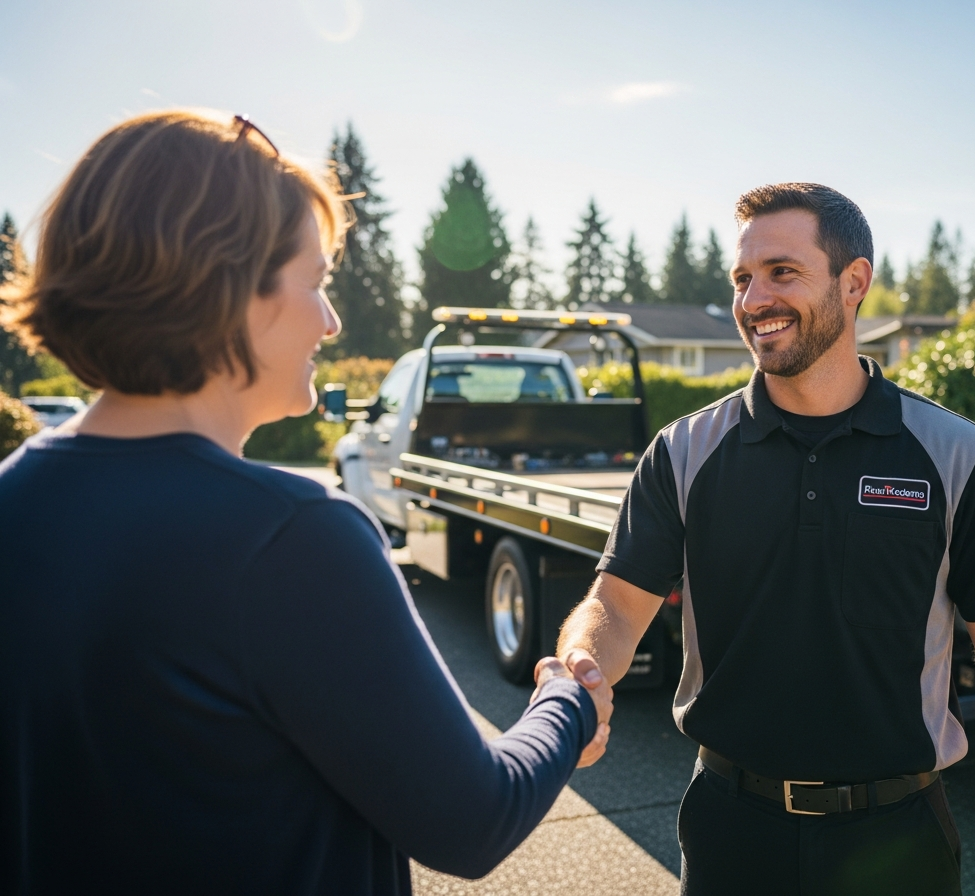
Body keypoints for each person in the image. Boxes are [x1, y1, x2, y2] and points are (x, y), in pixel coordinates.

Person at [0, 110, 611, 895]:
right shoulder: (292, 538)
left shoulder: (16, 501)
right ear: (225, 286)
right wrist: (568, 704)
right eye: (316, 283)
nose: (330, 321)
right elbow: (473, 818)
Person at [555, 183, 975, 895]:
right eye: (742, 278)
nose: (753, 298)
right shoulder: (684, 452)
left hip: (899, 839)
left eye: (782, 272)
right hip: (732, 833)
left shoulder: (954, 453)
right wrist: (581, 665)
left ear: (854, 283)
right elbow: (616, 603)